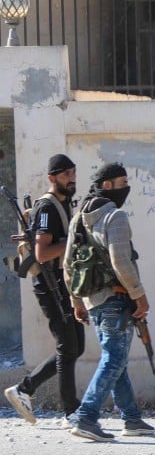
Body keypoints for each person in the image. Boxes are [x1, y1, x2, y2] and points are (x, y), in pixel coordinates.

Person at [64, 163, 155, 441]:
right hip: (116, 297)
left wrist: (76, 301)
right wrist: (139, 294)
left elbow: (67, 264)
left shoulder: (78, 217)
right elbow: (121, 261)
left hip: (94, 300)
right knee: (114, 357)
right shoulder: (115, 216)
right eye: (122, 182)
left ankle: (131, 419)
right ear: (107, 185)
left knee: (117, 359)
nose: (126, 187)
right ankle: (87, 416)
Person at [5, 154, 85, 427]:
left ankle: (25, 389)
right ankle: (71, 411)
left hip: (64, 283)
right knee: (67, 346)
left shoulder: (63, 204)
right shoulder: (48, 208)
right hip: (50, 285)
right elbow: (42, 252)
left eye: (73, 173)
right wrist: (73, 238)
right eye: (65, 175)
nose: (71, 178)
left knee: (77, 346)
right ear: (52, 178)